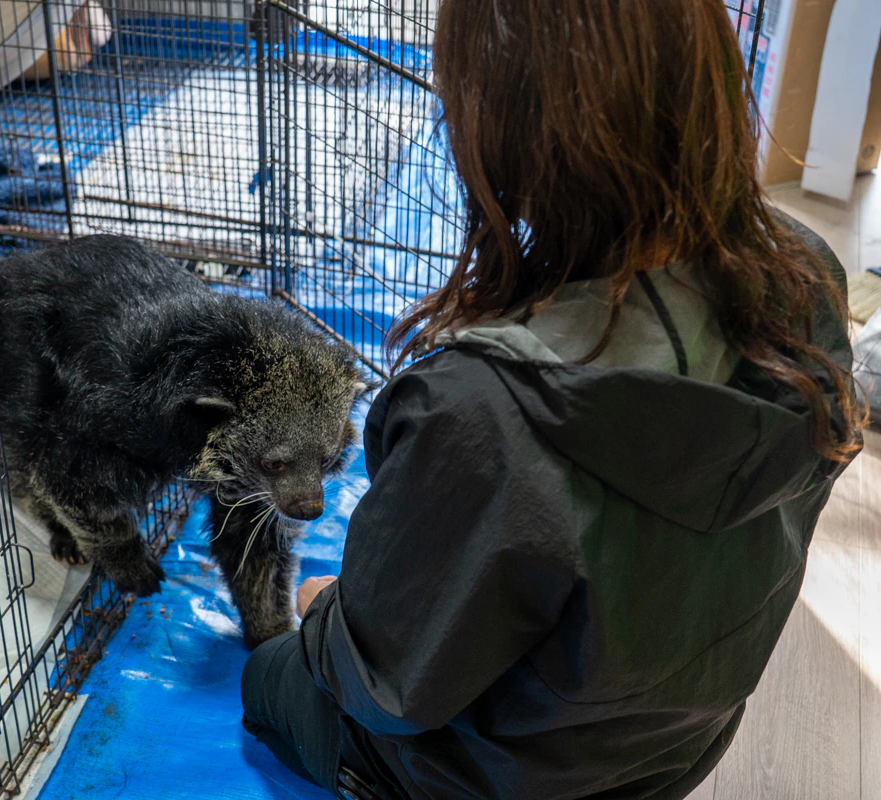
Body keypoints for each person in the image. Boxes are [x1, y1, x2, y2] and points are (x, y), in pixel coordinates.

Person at [239, 0, 867, 798]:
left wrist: (327, 615)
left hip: (493, 779)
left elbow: (389, 688)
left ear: (499, 128)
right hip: (673, 751)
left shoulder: (481, 407)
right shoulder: (804, 276)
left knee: (270, 676)